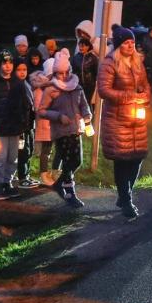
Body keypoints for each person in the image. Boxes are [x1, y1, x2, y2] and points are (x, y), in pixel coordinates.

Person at [97, 25, 151, 218]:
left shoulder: (137, 62)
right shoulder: (110, 63)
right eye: (126, 42)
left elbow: (145, 85)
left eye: (132, 42)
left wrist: (145, 96)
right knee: (122, 160)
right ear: (119, 44)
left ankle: (125, 193)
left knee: (137, 157)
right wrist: (129, 96)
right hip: (117, 120)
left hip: (137, 118)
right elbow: (104, 90)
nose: (130, 46)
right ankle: (126, 199)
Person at [38, 50, 92, 207]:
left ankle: (59, 184)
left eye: (65, 72)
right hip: (61, 131)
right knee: (69, 160)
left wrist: (87, 115)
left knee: (77, 161)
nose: (63, 76)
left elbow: (83, 104)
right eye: (59, 73)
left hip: (76, 129)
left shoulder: (76, 87)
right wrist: (58, 116)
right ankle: (70, 193)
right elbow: (41, 111)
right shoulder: (51, 89)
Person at [0, 49, 33, 200]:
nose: (8, 66)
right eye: (5, 63)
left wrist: (24, 122)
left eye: (10, 62)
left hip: (15, 127)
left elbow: (24, 105)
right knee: (0, 157)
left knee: (12, 157)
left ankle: (7, 183)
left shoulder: (17, 83)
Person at [29, 57, 55, 185]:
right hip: (45, 124)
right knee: (46, 150)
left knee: (50, 150)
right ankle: (44, 175)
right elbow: (39, 108)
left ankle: (51, 173)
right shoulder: (40, 89)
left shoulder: (53, 86)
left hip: (54, 123)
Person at [14, 58, 40, 189]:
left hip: (29, 123)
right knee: (22, 151)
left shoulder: (26, 84)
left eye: (24, 69)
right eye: (19, 70)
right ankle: (22, 176)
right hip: (21, 125)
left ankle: (26, 174)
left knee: (29, 150)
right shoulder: (15, 86)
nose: (22, 72)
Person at [72, 38, 99, 106]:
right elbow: (72, 70)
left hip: (90, 85)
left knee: (87, 101)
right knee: (78, 102)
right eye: (80, 46)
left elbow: (96, 71)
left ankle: (88, 115)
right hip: (78, 84)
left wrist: (94, 81)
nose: (81, 48)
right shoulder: (76, 57)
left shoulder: (93, 58)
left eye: (83, 46)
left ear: (88, 46)